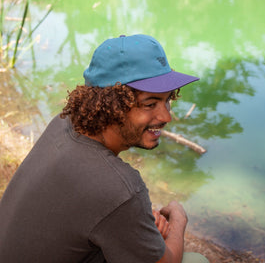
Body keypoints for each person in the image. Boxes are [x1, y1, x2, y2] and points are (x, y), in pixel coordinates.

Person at [0, 34, 209, 263]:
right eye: (150, 104)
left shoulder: (65, 122)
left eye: (167, 100)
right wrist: (178, 219)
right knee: (196, 261)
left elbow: (94, 202)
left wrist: (132, 221)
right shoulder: (120, 188)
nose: (166, 116)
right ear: (113, 106)